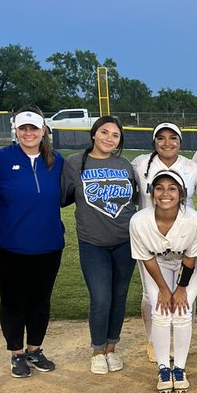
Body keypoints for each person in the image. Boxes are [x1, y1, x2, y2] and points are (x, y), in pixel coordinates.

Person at [0, 108, 65, 378]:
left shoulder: (57, 160)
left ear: (44, 130)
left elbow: (65, 195)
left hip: (49, 244)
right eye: (23, 129)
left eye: (34, 128)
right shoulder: (0, 160)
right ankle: (17, 353)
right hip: (11, 246)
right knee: (13, 301)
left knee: (40, 301)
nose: (29, 133)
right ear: (16, 131)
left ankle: (35, 349)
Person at [61, 116, 140, 374]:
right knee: (101, 297)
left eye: (115, 135)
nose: (109, 138)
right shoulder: (76, 162)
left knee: (119, 296)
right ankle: (97, 350)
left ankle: (111, 348)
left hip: (124, 242)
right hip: (93, 243)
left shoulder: (125, 164)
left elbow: (135, 199)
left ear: (120, 141)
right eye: (104, 132)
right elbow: (63, 198)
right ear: (94, 134)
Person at [129, 170, 197, 393]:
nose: (165, 194)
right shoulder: (139, 220)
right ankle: (163, 367)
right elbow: (147, 258)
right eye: (159, 188)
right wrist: (163, 288)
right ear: (152, 193)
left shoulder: (193, 220)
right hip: (157, 265)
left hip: (187, 265)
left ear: (181, 194)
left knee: (182, 311)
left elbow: (190, 258)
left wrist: (180, 289)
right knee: (161, 311)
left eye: (172, 188)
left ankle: (179, 367)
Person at [132, 122, 197, 359]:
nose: (167, 143)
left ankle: (180, 345)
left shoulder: (191, 166)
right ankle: (154, 341)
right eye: (161, 138)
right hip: (151, 236)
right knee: (151, 296)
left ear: (180, 142)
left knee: (183, 298)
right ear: (153, 142)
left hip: (184, 235)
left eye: (173, 138)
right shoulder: (141, 164)